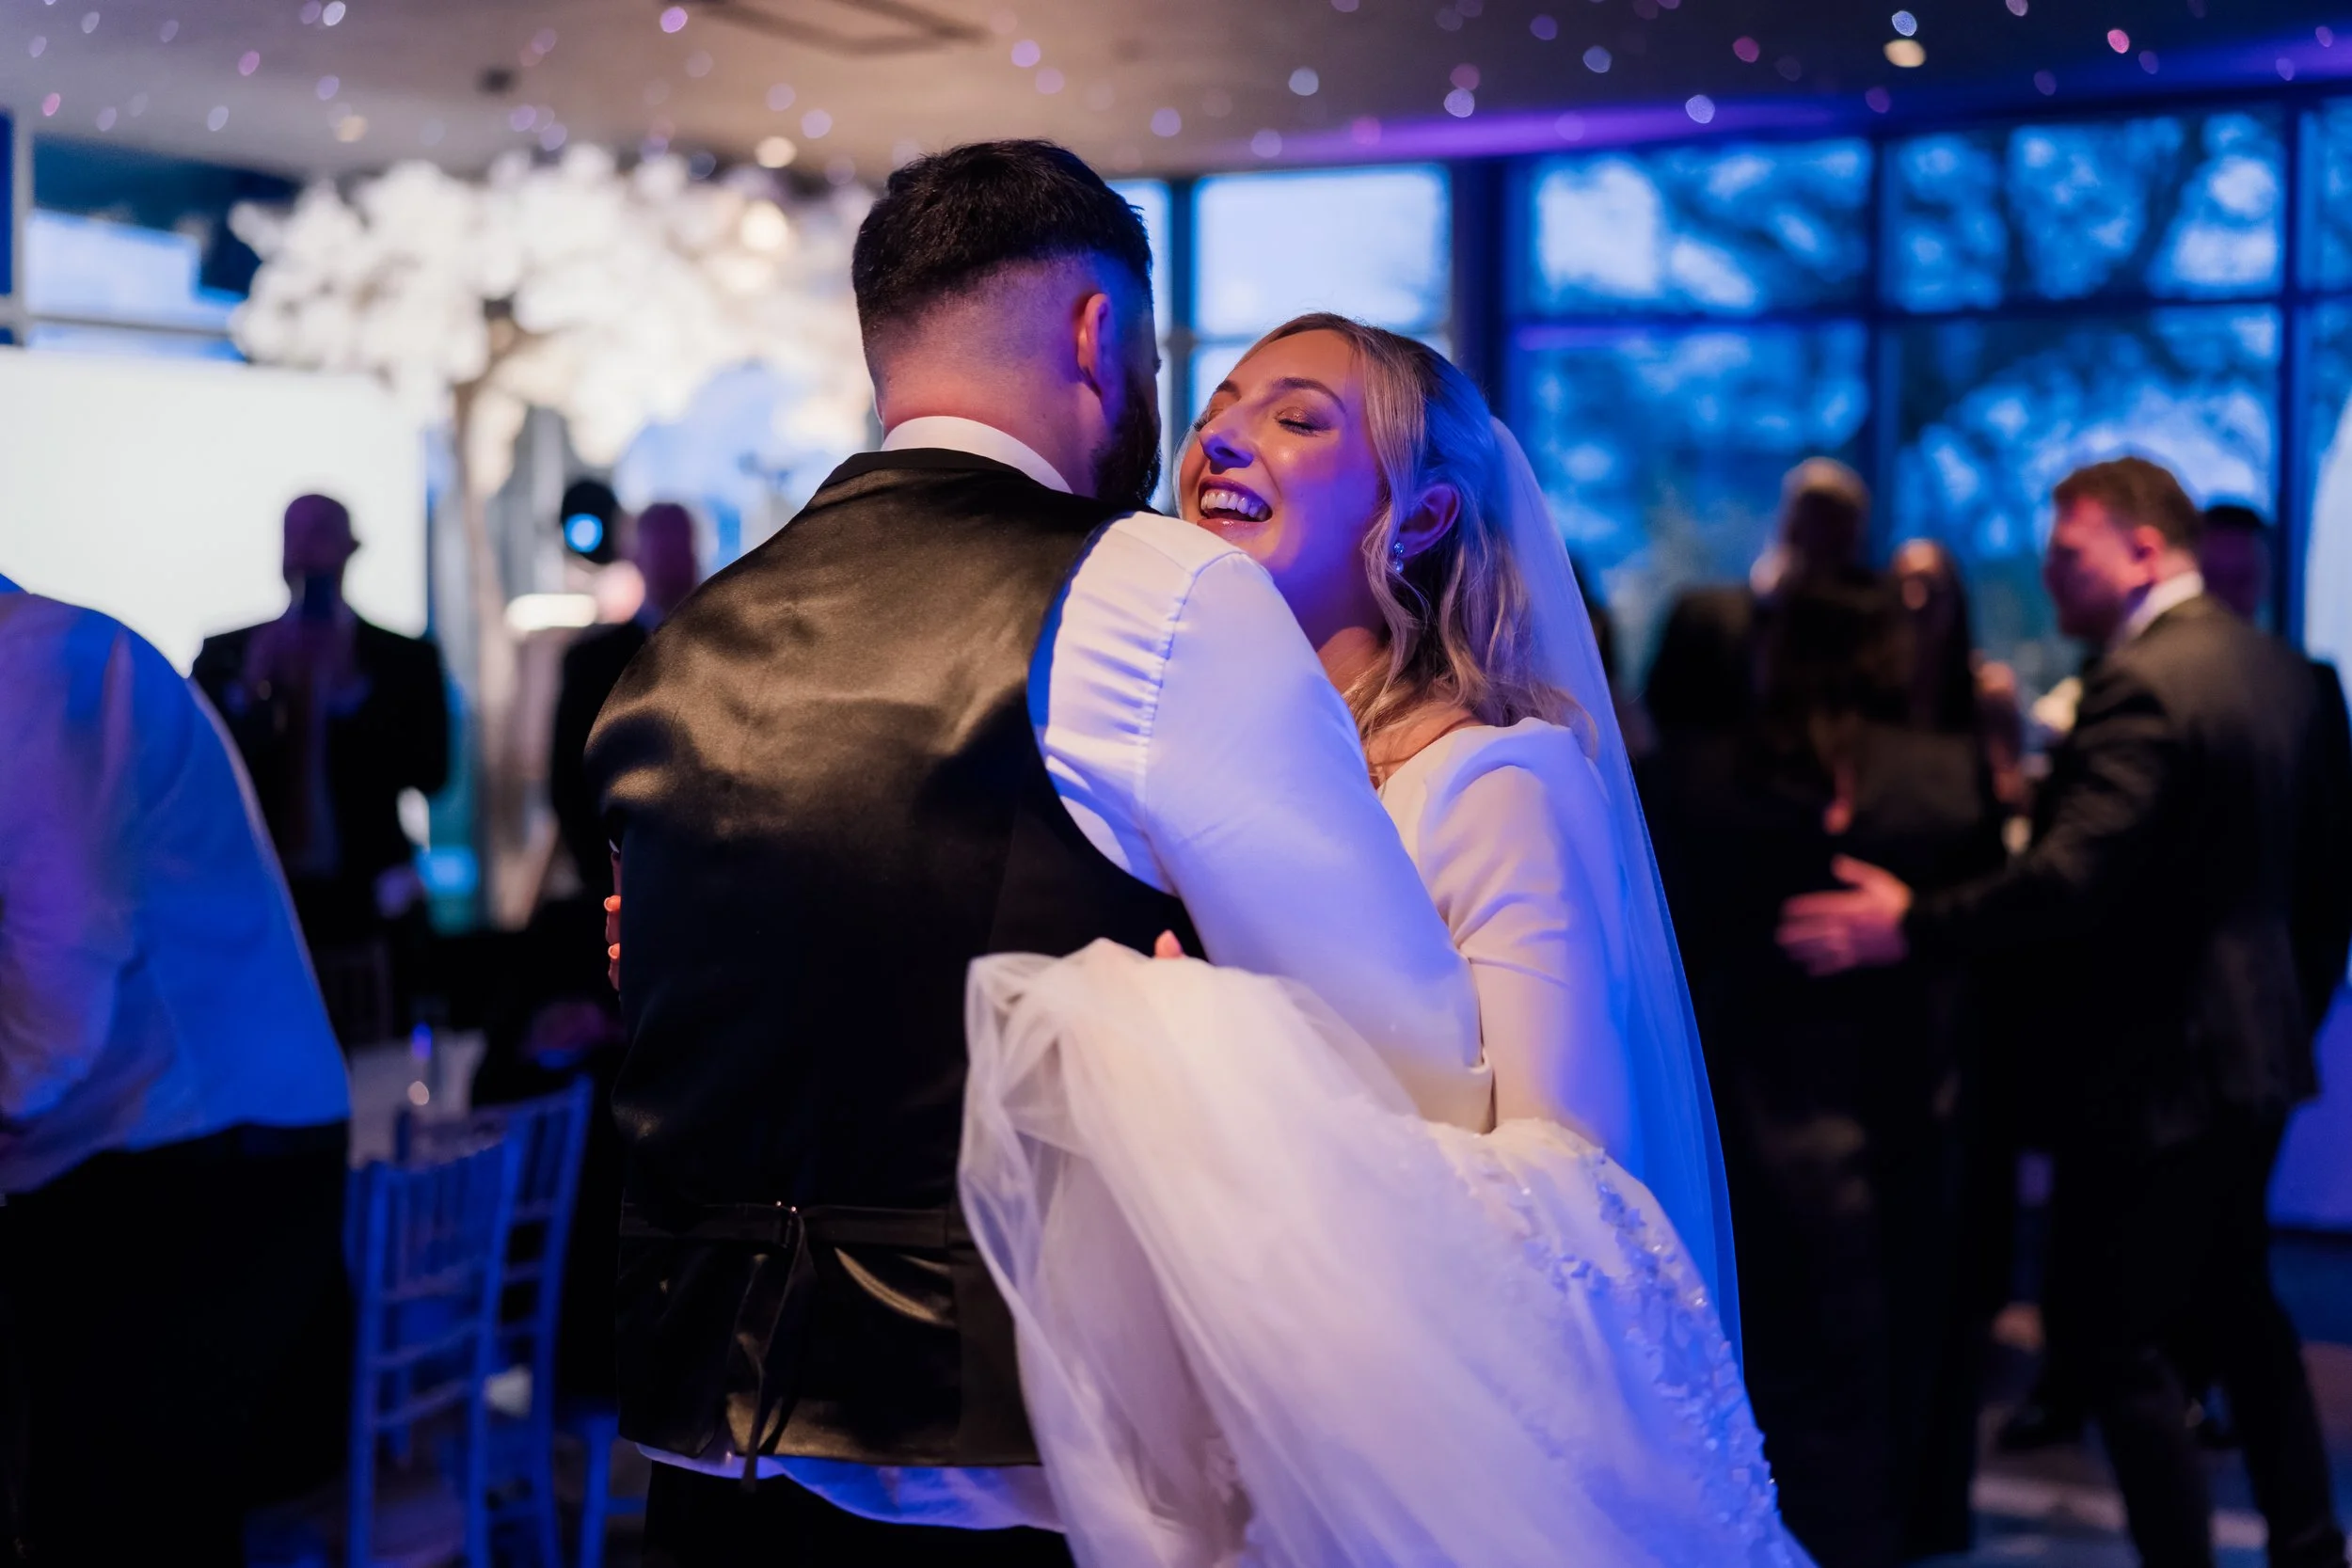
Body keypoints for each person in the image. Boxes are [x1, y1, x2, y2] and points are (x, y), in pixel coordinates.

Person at [586, 142, 1491, 1567]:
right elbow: (1403, 1040)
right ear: (1096, 332)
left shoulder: (681, 648)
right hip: (1011, 1459)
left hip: (706, 1453)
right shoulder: (1154, 589)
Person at [953, 315, 1809, 1564]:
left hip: (1425, 1463)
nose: (1222, 442)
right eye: (1217, 411)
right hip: (1226, 1406)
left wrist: (1224, 1066)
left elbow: (1585, 1190)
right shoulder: (1181, 778)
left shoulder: (1496, 784)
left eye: (1295, 420)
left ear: (1417, 519)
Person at [1777, 457, 2348, 1568]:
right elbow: (2327, 881)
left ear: (2142, 547)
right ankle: (2309, 1540)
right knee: (2238, 1300)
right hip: (2257, 1051)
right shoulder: (2285, 671)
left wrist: (1916, 922)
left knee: (2110, 1335)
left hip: (2158, 1064)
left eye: (2065, 553)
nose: (2047, 576)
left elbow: (2072, 875)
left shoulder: (2142, 680)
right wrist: (2292, 1007)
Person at [1640, 570, 2002, 1567]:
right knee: (1882, 1378)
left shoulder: (1691, 777)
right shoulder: (1941, 776)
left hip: (1738, 1116)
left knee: (1740, 1375)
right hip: (1897, 1116)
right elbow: (1986, 954)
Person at [0, 576, 351, 1565]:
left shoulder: (30, 665)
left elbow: (58, 987)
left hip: (189, 1162)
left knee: (122, 1524)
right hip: (180, 1154)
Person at [194, 492, 449, 1044]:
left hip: (365, 900)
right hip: (265, 893)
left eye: (319, 534)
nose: (305, 551)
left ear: (350, 548)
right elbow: (202, 770)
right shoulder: (227, 653)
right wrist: (248, 692)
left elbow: (433, 772)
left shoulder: (403, 660)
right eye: (294, 535)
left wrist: (352, 695)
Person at [1645, 457, 1872, 736]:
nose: (1817, 545)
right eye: (1813, 525)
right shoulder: (1701, 616)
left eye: (1833, 535)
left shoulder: (1859, 636)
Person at [550, 500, 702, 903]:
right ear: (636, 557)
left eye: (681, 548)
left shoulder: (724, 649)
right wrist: (604, 876)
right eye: (663, 548)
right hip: (622, 881)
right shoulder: (593, 660)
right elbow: (568, 778)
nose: (675, 561)